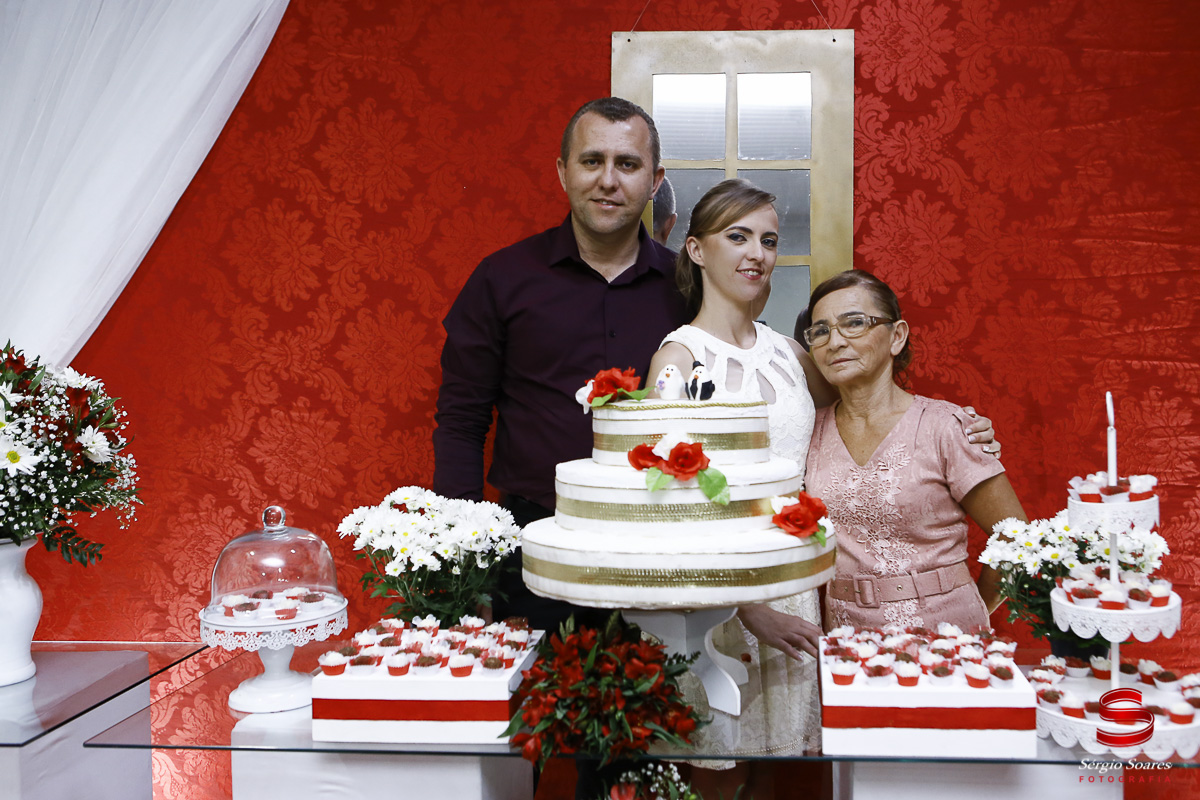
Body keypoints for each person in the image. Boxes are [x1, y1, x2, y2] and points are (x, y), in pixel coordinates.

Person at [646, 180, 998, 798]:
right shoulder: (678, 360)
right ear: (696, 250)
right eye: (738, 236)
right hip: (718, 594)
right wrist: (745, 606)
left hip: (797, 590)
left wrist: (961, 428)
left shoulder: (791, 354)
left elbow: (870, 411)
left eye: (768, 240)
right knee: (718, 769)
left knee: (781, 766)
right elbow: (669, 506)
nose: (756, 253)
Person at [433, 97, 689, 630]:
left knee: (672, 684)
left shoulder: (689, 288)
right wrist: (467, 565)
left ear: (654, 180)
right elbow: (461, 421)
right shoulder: (502, 279)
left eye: (627, 164)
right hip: (531, 547)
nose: (608, 180)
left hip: (666, 546)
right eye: (592, 161)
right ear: (562, 171)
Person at [798, 269, 1024, 630]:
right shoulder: (809, 433)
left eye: (854, 323)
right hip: (846, 635)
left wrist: (974, 611)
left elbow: (1016, 538)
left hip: (946, 635)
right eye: (821, 331)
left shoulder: (945, 426)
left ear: (897, 336)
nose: (835, 341)